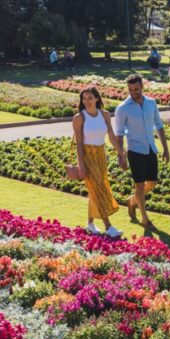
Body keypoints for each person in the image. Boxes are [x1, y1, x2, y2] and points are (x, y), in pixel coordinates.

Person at [114, 74, 170, 228]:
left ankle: (132, 201)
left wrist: (165, 149)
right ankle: (145, 219)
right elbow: (119, 134)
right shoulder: (122, 108)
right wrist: (121, 156)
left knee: (152, 183)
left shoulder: (151, 103)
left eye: (136, 89)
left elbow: (159, 126)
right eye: (130, 89)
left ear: (142, 87)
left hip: (151, 148)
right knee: (139, 185)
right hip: (135, 150)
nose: (133, 92)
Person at [72, 86, 122, 238]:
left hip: (100, 155)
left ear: (97, 99)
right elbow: (79, 144)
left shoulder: (105, 114)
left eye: (90, 98)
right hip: (87, 157)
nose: (87, 101)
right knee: (99, 189)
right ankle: (108, 226)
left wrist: (121, 153)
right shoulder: (79, 118)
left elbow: (112, 136)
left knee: (96, 189)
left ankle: (90, 224)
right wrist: (81, 164)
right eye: (84, 98)